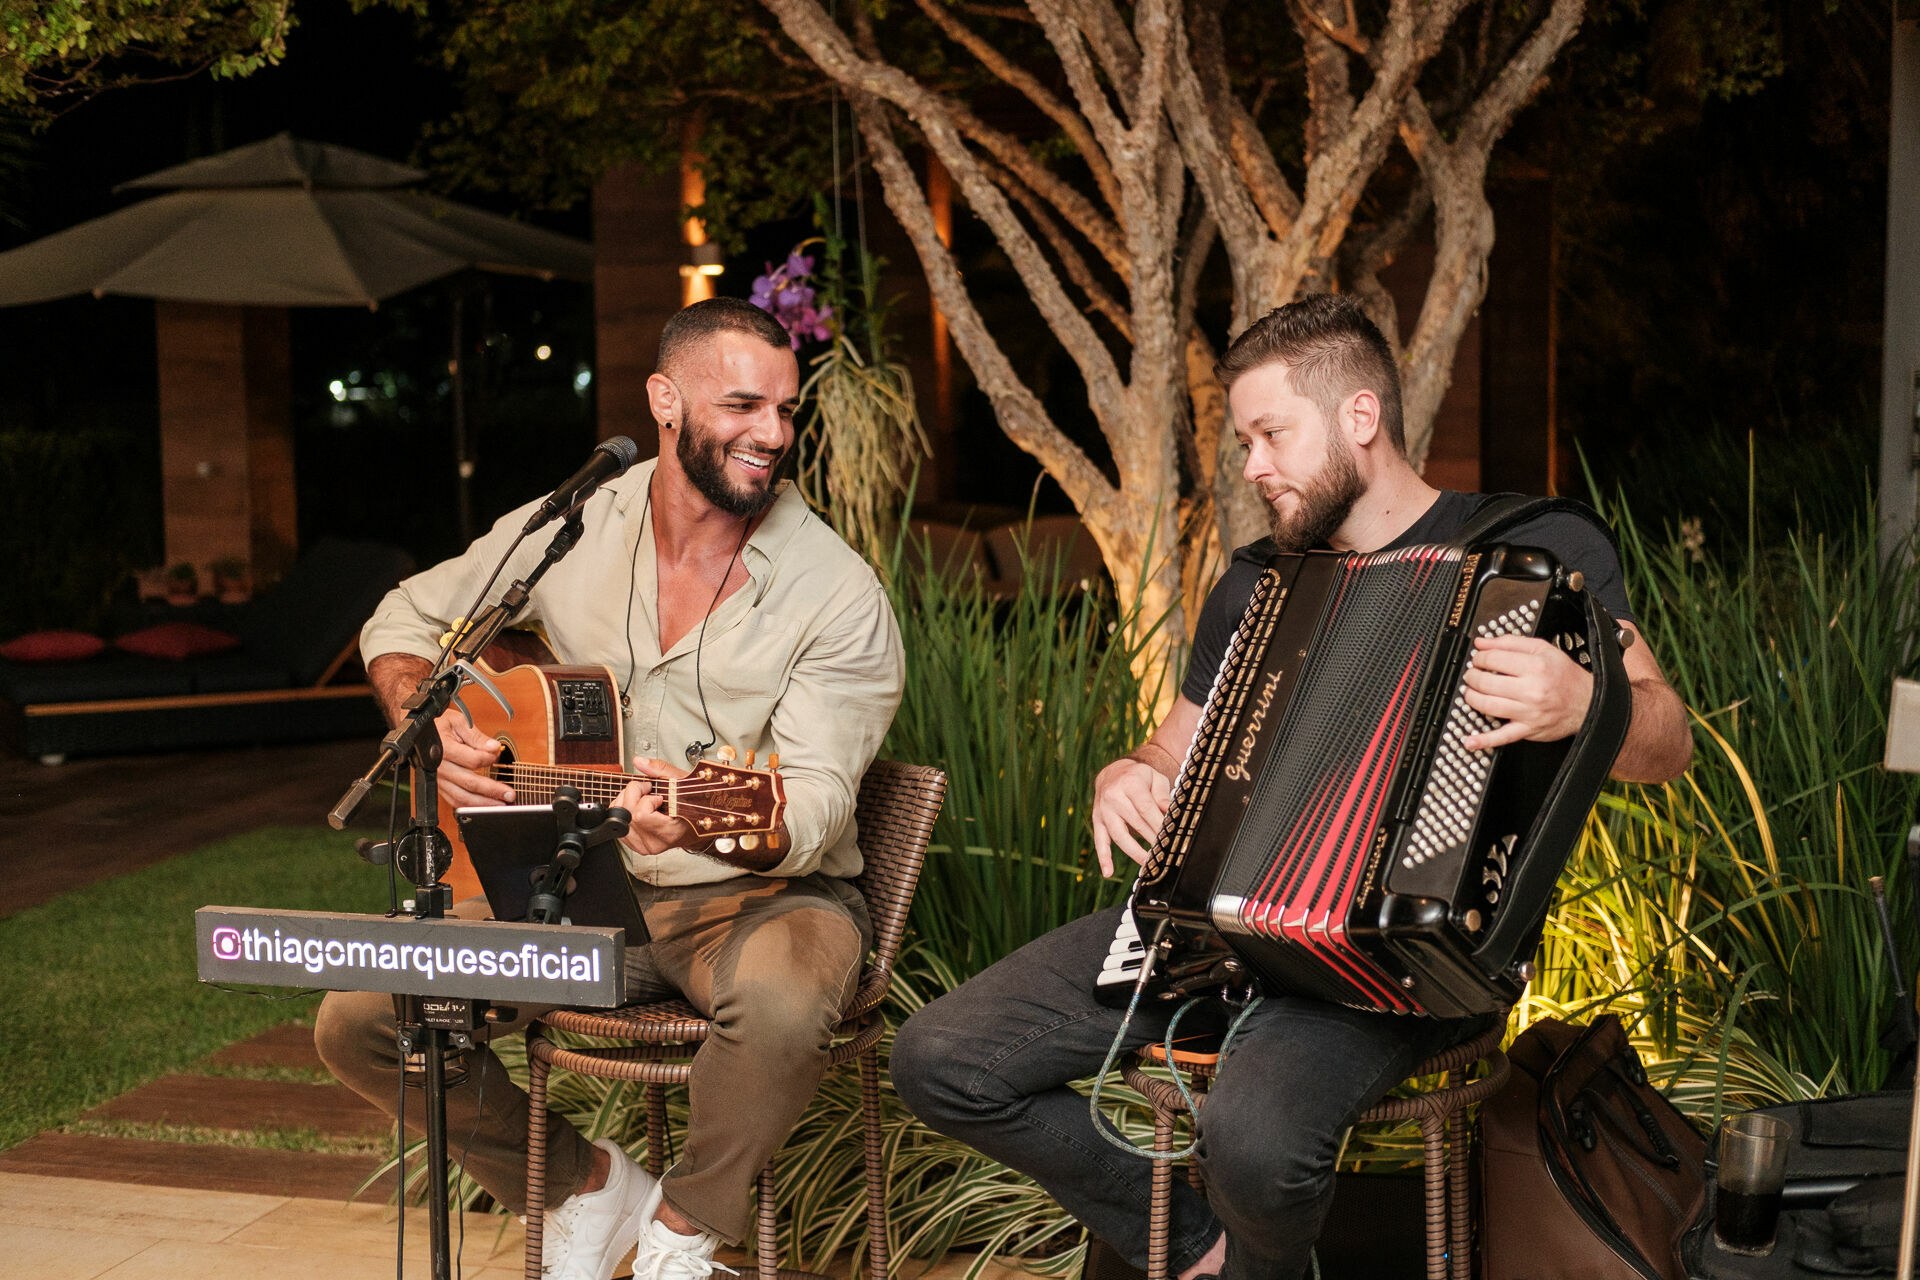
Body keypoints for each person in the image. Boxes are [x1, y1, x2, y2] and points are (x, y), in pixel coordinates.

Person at [889, 294, 1693, 1280]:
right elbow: (1171, 747)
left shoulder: (1535, 554)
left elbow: (1670, 741)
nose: (1253, 465)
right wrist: (1128, 773)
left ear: (1361, 416)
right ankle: (1201, 1251)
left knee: (1258, 1143)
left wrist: (1588, 695)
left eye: (1270, 434)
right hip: (1218, 926)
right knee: (939, 1056)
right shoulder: (1260, 586)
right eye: (1245, 442)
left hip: (1407, 954)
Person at [315, 297, 905, 1280]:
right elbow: (407, 612)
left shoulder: (835, 591)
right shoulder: (579, 521)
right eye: (745, 404)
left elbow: (810, 809)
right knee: (364, 1016)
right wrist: (436, 717)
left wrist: (705, 811)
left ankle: (680, 1228)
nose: (774, 433)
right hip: (583, 882)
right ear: (665, 400)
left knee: (785, 999)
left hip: (761, 894)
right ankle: (583, 1186)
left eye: (787, 410)